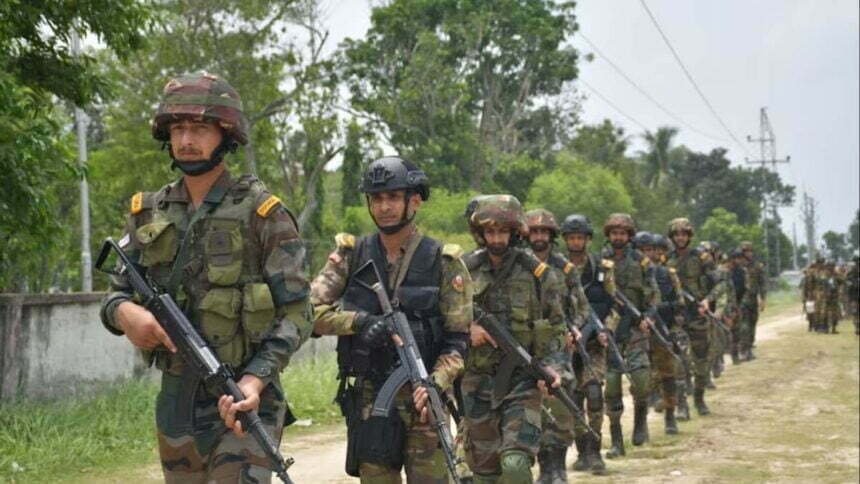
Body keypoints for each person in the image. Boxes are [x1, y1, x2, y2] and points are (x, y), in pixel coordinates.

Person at [99, 72, 311, 483]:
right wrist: (124, 313)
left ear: (226, 134)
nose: (186, 140)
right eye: (177, 128)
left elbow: (299, 311)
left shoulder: (262, 214)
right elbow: (115, 293)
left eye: (198, 128)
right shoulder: (149, 212)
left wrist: (255, 379)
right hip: (176, 404)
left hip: (242, 401)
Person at [309, 156, 472, 483]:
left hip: (425, 402)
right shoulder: (352, 255)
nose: (384, 207)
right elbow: (308, 314)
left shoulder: (443, 262)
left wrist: (435, 382)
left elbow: (458, 341)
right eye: (377, 198)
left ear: (415, 201)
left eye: (393, 197)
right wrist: (358, 322)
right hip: (371, 400)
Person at [461, 195, 567, 484]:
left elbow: (558, 327)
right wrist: (467, 329)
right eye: (490, 232)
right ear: (480, 233)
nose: (496, 239)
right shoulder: (464, 271)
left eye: (503, 231)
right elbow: (440, 317)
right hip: (477, 383)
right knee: (484, 474)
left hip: (523, 382)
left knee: (516, 464)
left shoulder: (538, 275)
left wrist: (554, 367)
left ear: (516, 231)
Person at [525, 209, 581, 483]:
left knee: (559, 400)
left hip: (556, 342)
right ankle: (544, 467)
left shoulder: (565, 268)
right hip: (525, 342)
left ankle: (558, 467)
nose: (539, 237)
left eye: (543, 232)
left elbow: (580, 307)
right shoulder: (518, 264)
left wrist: (575, 328)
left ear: (551, 235)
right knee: (533, 407)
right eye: (534, 232)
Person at [600, 214, 659, 457]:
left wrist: (649, 317)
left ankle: (640, 423)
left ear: (629, 236)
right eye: (614, 233)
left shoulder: (641, 262)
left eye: (622, 233)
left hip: (636, 328)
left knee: (642, 380)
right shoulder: (600, 261)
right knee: (612, 386)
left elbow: (653, 293)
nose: (618, 237)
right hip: (611, 329)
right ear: (609, 235)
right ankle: (616, 441)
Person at [560, 214, 611, 475]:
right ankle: (582, 451)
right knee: (574, 399)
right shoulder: (555, 267)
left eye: (580, 237)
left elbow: (615, 304)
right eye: (572, 238)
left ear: (587, 239)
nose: (576, 242)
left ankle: (596, 451)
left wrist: (606, 330)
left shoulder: (601, 268)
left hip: (594, 345)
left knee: (594, 394)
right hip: (566, 345)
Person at [666, 218, 716, 416]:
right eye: (677, 234)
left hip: (697, 314)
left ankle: (699, 398)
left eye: (684, 234)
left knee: (702, 361)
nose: (680, 238)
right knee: (678, 361)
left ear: (689, 236)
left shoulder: (702, 259)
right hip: (676, 316)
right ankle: (681, 405)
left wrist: (708, 300)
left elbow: (720, 282)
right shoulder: (666, 260)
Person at [639, 233, 685, 435]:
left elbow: (680, 302)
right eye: (643, 250)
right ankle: (642, 424)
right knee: (642, 376)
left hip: (664, 328)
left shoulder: (667, 274)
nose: (648, 254)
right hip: (640, 331)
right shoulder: (633, 274)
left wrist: (666, 312)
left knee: (668, 374)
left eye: (651, 250)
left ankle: (670, 416)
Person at [739, 241, 767, 353]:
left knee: (752, 321)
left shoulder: (757, 266)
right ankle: (744, 347)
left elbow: (762, 283)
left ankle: (749, 344)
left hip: (753, 298)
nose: (748, 253)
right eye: (746, 251)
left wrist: (763, 299)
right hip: (740, 299)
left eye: (750, 251)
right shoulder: (737, 264)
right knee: (744, 323)